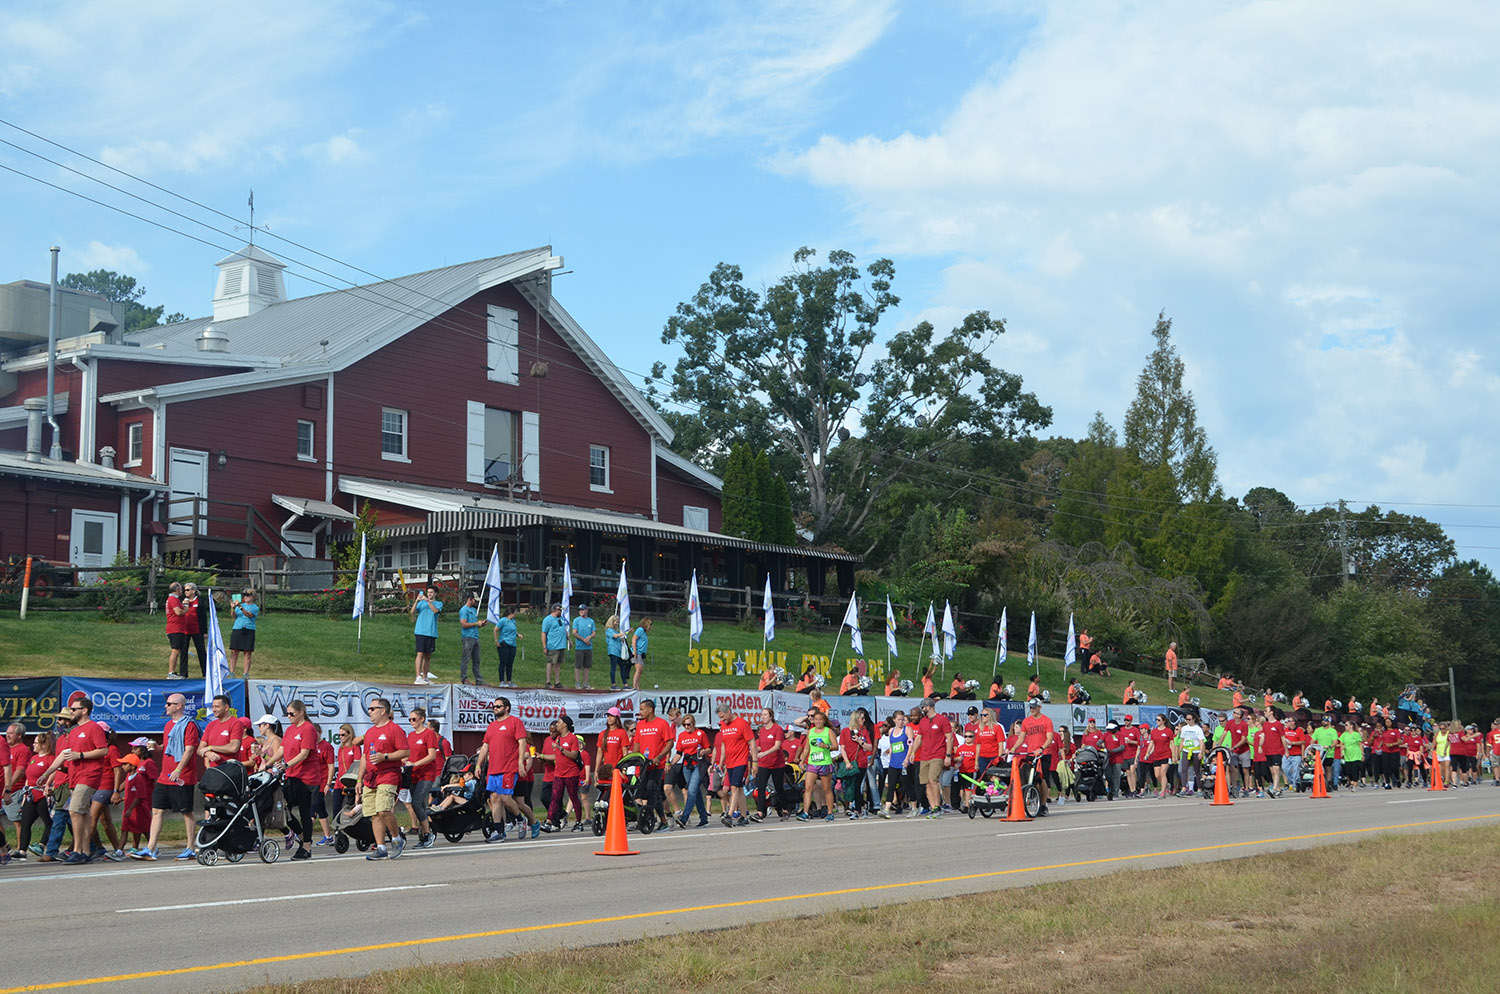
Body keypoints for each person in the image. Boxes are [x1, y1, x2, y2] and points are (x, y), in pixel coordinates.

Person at [130, 692, 199, 861]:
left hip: (182, 776)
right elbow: (169, 746)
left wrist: (179, 769)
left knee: (186, 811)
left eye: (169, 704)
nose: (166, 706)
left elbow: (189, 749)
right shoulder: (168, 725)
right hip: (164, 776)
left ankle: (190, 847)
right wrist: (157, 748)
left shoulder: (189, 725)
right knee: (157, 809)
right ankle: (151, 847)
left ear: (179, 706)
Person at [474, 696, 540, 842]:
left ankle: (521, 820)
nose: (495, 709)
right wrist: (479, 764)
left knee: (506, 797)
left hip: (509, 767)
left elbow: (522, 743)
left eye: (498, 706)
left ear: (506, 707)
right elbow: (485, 746)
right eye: (494, 706)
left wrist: (520, 763)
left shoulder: (515, 722)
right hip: (494, 768)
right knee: (494, 798)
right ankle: (499, 832)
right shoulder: (492, 726)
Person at [358, 698, 409, 859]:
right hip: (371, 777)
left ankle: (396, 838)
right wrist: (359, 780)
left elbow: (405, 752)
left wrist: (384, 756)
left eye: (373, 709)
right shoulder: (370, 732)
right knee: (374, 814)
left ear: (383, 711)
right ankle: (381, 848)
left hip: (388, 774)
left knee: (384, 810)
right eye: (369, 709)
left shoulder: (394, 729)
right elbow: (365, 757)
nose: (370, 712)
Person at [279, 700, 321, 860]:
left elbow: (304, 753)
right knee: (283, 808)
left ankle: (307, 847)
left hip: (307, 777)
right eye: (287, 714)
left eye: (292, 713)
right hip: (292, 775)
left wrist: (286, 764)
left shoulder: (308, 728)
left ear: (301, 712)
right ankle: (303, 836)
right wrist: (267, 762)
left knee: (305, 813)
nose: (289, 716)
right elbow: (282, 749)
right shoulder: (290, 729)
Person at [633, 698, 674, 830]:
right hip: (644, 765)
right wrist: (634, 757)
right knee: (641, 793)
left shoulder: (662, 724)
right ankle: (659, 820)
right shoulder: (640, 725)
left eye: (642, 709)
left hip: (657, 765)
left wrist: (660, 756)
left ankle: (650, 819)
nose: (640, 712)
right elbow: (637, 743)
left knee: (652, 791)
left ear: (650, 709)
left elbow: (670, 743)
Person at [403, 707, 440, 847]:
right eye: (410, 719)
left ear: (422, 719)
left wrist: (415, 763)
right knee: (421, 806)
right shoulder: (411, 736)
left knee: (416, 803)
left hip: (427, 774)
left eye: (414, 719)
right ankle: (425, 834)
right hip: (413, 775)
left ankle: (427, 834)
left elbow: (431, 755)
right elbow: (408, 754)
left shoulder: (428, 734)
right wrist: (404, 760)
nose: (411, 722)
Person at [713, 703, 753, 827]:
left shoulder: (742, 724)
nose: (722, 720)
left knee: (734, 788)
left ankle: (729, 815)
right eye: (720, 718)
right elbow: (724, 745)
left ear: (729, 711)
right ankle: (744, 816)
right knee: (739, 789)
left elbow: (752, 743)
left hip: (741, 761)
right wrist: (721, 761)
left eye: (723, 716)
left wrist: (755, 762)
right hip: (730, 762)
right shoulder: (724, 726)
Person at [913, 698, 953, 818]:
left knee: (933, 780)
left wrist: (948, 755)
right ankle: (932, 807)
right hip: (924, 755)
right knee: (926, 783)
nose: (922, 709)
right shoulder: (923, 721)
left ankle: (937, 806)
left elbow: (949, 738)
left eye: (923, 707)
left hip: (938, 754)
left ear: (929, 707)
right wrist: (912, 753)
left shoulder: (942, 720)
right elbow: (918, 738)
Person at [796, 709, 838, 822]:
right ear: (813, 721)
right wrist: (802, 761)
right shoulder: (811, 731)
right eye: (816, 720)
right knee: (808, 787)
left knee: (826, 789)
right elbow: (806, 748)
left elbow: (835, 746)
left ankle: (830, 812)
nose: (818, 722)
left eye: (820, 720)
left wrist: (826, 746)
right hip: (812, 763)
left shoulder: (828, 731)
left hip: (824, 763)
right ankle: (805, 812)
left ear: (824, 721)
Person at [546, 716, 586, 831]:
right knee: (555, 797)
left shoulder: (572, 738)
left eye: (559, 722)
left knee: (573, 797)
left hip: (571, 773)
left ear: (565, 725)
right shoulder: (558, 738)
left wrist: (560, 748)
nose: (557, 724)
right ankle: (549, 820)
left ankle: (578, 822)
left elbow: (574, 755)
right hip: (559, 773)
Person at [751, 708, 790, 822]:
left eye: (765, 715)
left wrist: (764, 753)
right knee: (761, 787)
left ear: (771, 716)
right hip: (764, 763)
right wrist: (754, 750)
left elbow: (777, 746)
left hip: (777, 763)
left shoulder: (777, 729)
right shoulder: (762, 731)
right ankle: (760, 812)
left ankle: (785, 808)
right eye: (762, 715)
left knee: (778, 787)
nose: (763, 717)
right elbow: (761, 746)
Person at [673, 714, 710, 828]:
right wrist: (670, 764)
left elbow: (708, 748)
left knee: (691, 791)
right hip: (687, 766)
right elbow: (679, 753)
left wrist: (703, 752)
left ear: (693, 724)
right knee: (696, 792)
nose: (687, 727)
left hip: (698, 765)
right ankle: (703, 818)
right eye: (684, 725)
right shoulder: (682, 736)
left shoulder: (700, 733)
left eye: (689, 724)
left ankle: (684, 818)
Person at [1020, 700, 1056, 814]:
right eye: (1030, 707)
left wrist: (1041, 748)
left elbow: (1049, 738)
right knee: (1028, 777)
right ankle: (1029, 799)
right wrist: (1011, 749)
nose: (1032, 709)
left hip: (1044, 754)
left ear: (1040, 707)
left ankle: (1043, 805)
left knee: (1042, 778)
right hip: (1031, 753)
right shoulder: (1026, 721)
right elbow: (1021, 738)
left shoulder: (1046, 721)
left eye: (1034, 707)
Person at [877, 710, 912, 818]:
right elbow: (892, 746)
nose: (901, 722)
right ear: (894, 720)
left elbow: (911, 744)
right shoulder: (891, 731)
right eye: (899, 720)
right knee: (891, 786)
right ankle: (886, 809)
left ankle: (914, 806)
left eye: (902, 720)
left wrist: (907, 759)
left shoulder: (907, 730)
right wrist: (891, 757)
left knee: (907, 785)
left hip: (904, 762)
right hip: (893, 763)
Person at [196, 694, 243, 770]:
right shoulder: (210, 725)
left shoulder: (235, 723)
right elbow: (200, 749)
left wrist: (210, 747)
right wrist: (208, 753)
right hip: (213, 771)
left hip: (229, 770)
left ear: (226, 707)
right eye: (213, 706)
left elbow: (233, 747)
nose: (213, 710)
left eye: (217, 707)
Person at [411, 586, 443, 685]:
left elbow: (435, 611)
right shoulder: (422, 603)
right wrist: (416, 601)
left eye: (431, 592)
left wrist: (428, 601)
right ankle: (417, 676)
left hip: (431, 632)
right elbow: (412, 612)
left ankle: (425, 677)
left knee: (428, 655)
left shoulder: (438, 604)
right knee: (420, 653)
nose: (429, 594)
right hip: (421, 630)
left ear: (435, 594)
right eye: (428, 592)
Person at [594, 708, 631, 783]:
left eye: (612, 716)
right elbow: (599, 754)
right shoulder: (602, 734)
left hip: (618, 769)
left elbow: (625, 754)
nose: (609, 718)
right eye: (608, 716)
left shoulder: (622, 732)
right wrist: (596, 771)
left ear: (617, 718)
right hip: (606, 770)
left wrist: (624, 769)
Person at [229, 589, 260, 677]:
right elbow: (234, 616)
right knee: (234, 651)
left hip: (249, 629)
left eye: (248, 595)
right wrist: (233, 608)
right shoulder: (240, 606)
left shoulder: (254, 607)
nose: (245, 597)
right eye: (244, 595)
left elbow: (249, 615)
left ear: (253, 597)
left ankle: (245, 673)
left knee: (247, 652)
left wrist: (240, 607)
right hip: (237, 628)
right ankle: (232, 672)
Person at [457, 592, 485, 686]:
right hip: (467, 637)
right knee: (466, 658)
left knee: (476, 660)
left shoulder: (473, 610)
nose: (475, 602)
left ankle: (478, 679)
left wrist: (480, 624)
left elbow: (474, 624)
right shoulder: (464, 610)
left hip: (475, 636)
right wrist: (476, 624)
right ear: (470, 599)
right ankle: (464, 678)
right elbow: (464, 624)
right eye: (474, 600)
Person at [164, 581, 189, 679]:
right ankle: (171, 672)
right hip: (175, 628)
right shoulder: (172, 599)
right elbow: (178, 612)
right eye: (181, 589)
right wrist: (186, 609)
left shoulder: (174, 599)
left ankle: (173, 672)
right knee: (175, 650)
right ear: (177, 589)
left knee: (178, 650)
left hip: (178, 628)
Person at [539, 603, 567, 689]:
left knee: (558, 663)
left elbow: (564, 630)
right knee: (551, 662)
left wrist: (569, 639)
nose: (561, 612)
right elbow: (544, 633)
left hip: (561, 645)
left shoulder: (561, 619)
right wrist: (544, 646)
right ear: (555, 610)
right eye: (560, 610)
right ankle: (548, 681)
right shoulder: (548, 620)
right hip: (552, 645)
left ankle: (557, 682)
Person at [568, 604, 595, 690]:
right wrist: (583, 639)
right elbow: (574, 632)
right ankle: (577, 682)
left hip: (588, 647)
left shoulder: (591, 621)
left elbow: (594, 632)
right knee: (578, 665)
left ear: (586, 610)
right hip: (580, 647)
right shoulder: (576, 620)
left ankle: (585, 683)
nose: (581, 611)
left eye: (583, 610)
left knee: (587, 666)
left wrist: (589, 638)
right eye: (580, 610)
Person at [1178, 714, 1206, 795]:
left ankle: (1200, 789)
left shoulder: (1198, 729)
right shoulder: (1184, 728)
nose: (1188, 721)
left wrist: (1201, 752)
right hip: (1186, 750)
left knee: (1197, 770)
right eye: (1187, 719)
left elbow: (1201, 741)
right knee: (1184, 770)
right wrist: (1180, 752)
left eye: (1190, 719)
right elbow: (1182, 740)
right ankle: (1183, 788)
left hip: (1195, 751)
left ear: (1194, 719)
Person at [494, 605, 520, 688]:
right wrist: (496, 640)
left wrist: (517, 634)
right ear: (511, 613)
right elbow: (495, 630)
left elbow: (513, 630)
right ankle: (501, 680)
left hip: (512, 643)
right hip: (504, 642)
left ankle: (509, 681)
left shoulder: (513, 621)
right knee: (503, 662)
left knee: (510, 663)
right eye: (515, 613)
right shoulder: (503, 620)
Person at [603, 613, 627, 691]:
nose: (617, 623)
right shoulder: (609, 630)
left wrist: (622, 638)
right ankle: (613, 684)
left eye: (617, 622)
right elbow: (615, 636)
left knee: (623, 666)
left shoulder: (616, 631)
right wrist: (625, 633)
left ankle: (625, 684)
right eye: (616, 622)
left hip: (619, 651)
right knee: (613, 667)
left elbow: (619, 637)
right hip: (613, 651)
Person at [630, 618, 653, 692]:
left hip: (641, 653)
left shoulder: (644, 633)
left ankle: (637, 685)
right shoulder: (640, 630)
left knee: (640, 670)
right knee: (638, 669)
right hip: (637, 652)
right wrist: (634, 651)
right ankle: (634, 686)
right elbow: (634, 639)